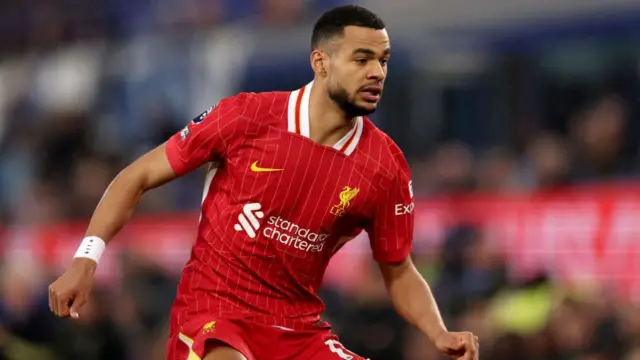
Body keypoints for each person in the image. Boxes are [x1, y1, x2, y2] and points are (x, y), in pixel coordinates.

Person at [48, 5, 479, 360]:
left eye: (383, 61)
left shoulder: (385, 167)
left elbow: (398, 269)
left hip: (298, 332)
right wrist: (86, 260)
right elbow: (136, 175)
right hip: (215, 315)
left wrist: (437, 332)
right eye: (361, 59)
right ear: (321, 62)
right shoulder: (247, 117)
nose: (376, 73)